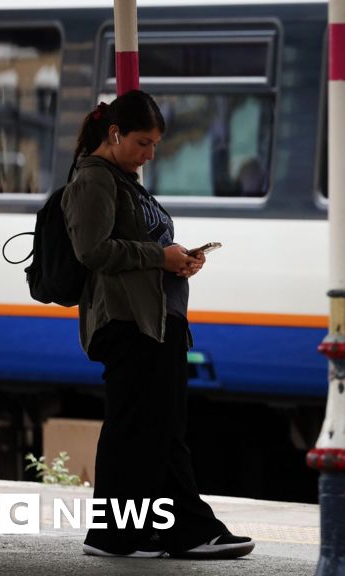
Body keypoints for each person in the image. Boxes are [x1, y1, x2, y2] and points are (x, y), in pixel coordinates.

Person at [61, 90, 254, 559]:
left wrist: (178, 261)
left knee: (151, 429)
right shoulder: (94, 180)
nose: (150, 154)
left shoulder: (125, 181)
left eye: (154, 145)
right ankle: (180, 530)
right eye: (143, 143)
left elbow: (133, 247)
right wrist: (158, 256)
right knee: (147, 430)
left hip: (154, 321)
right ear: (115, 134)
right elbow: (92, 250)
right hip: (128, 322)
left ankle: (132, 533)